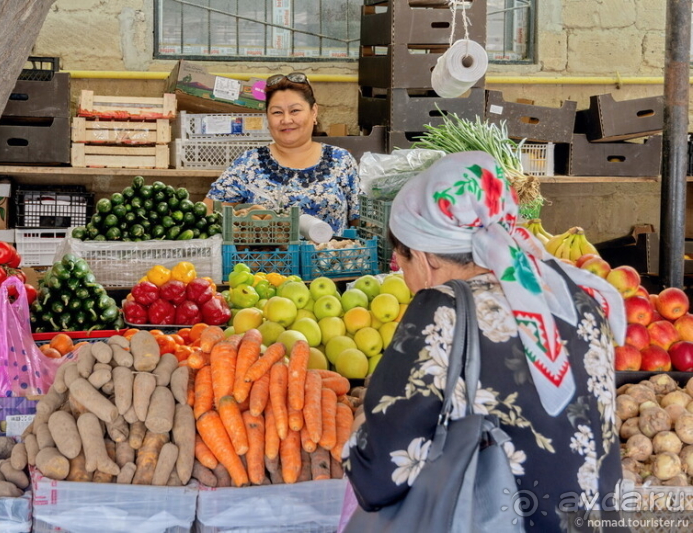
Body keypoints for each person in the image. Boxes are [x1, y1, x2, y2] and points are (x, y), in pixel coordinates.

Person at [342, 151, 627, 532]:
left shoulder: (442, 312)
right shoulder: (575, 294)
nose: (406, 278)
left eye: (401, 262)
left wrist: (363, 421)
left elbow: (378, 477)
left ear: (425, 257)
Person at [204, 72, 359, 234]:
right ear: (267, 117)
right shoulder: (248, 163)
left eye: (295, 111)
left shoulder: (341, 160)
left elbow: (359, 221)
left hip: (334, 257)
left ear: (314, 112)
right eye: (277, 112)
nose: (286, 120)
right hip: (267, 259)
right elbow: (208, 212)